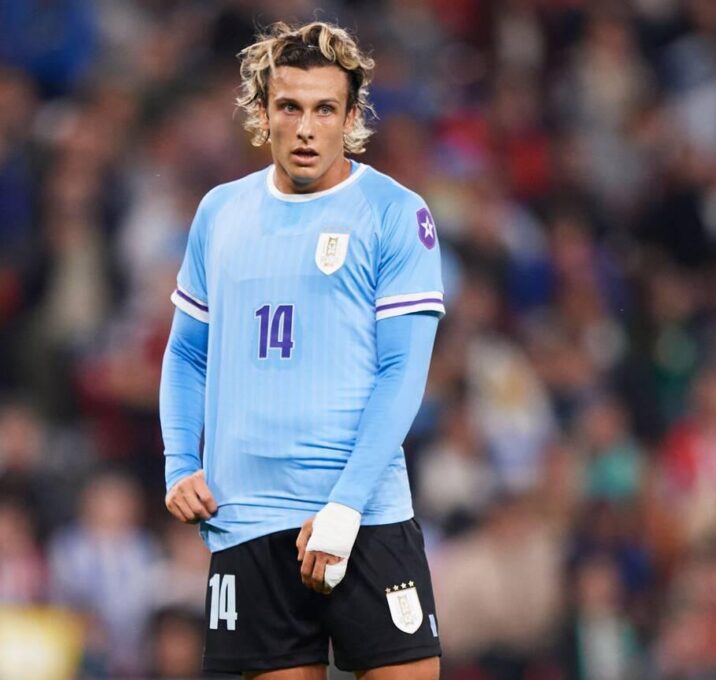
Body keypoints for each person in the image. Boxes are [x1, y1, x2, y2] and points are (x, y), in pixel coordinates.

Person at [158, 21, 444, 679]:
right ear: (263, 113)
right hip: (248, 521)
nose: (308, 127)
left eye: (325, 109)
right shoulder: (219, 213)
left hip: (365, 516)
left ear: (350, 117)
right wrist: (180, 461)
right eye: (290, 107)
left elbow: (403, 370)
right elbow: (186, 355)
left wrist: (345, 507)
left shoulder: (393, 213)